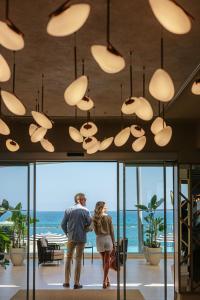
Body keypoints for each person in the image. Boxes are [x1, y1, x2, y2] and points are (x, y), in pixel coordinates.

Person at [61, 193, 92, 289]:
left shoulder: (68, 210)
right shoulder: (86, 210)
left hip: (71, 237)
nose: (86, 200)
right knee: (78, 259)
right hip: (81, 237)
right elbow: (90, 223)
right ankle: (76, 283)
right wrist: (86, 229)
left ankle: (66, 282)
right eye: (84, 199)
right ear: (79, 200)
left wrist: (67, 233)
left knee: (68, 258)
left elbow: (62, 224)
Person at [93, 201, 115, 289]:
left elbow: (91, 229)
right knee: (107, 261)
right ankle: (104, 281)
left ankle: (107, 280)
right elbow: (112, 231)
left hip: (99, 239)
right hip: (108, 238)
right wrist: (114, 243)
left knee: (104, 261)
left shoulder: (94, 218)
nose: (106, 207)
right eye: (105, 206)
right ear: (103, 208)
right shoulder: (108, 217)